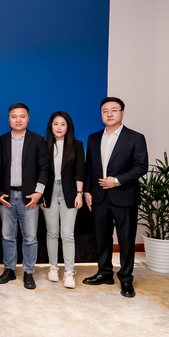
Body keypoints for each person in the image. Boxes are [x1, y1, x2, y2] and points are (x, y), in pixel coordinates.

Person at [83, 97, 148, 298]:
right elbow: (89, 167)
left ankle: (126, 278)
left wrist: (117, 180)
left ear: (122, 113)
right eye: (105, 111)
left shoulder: (135, 137)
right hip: (99, 197)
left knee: (126, 240)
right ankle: (104, 273)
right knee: (102, 238)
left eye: (114, 110)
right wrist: (87, 191)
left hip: (124, 197)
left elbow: (141, 167)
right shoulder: (93, 138)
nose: (109, 114)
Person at [0, 103, 50, 290]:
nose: (18, 120)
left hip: (30, 197)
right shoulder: (1, 141)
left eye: (22, 116)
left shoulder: (38, 140)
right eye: (14, 116)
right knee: (7, 236)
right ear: (8, 119)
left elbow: (45, 168)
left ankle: (28, 272)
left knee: (30, 237)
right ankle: (9, 269)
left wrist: (38, 193)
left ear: (28, 118)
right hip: (7, 195)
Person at [40, 111, 85, 289]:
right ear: (51, 126)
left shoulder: (77, 145)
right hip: (49, 192)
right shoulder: (44, 145)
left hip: (70, 192)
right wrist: (40, 194)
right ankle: (53, 268)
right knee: (52, 232)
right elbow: (40, 172)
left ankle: (69, 271)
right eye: (56, 124)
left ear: (68, 127)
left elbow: (80, 171)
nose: (59, 127)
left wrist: (80, 193)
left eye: (63, 124)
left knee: (67, 234)